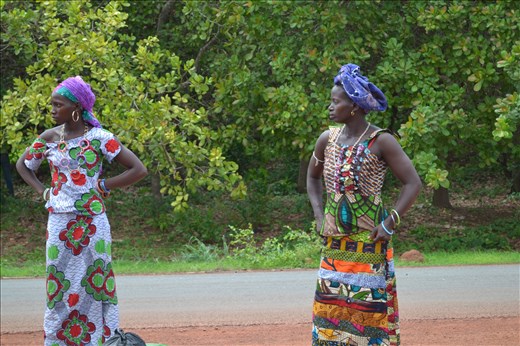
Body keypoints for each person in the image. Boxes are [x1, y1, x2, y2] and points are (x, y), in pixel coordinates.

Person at [16, 76, 148, 345]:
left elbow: (138, 169)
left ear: (76, 109)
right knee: (59, 284)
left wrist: (103, 185)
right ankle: (58, 341)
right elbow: (24, 165)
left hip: (93, 223)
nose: (52, 110)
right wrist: (44, 191)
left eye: (58, 104)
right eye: (51, 104)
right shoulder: (49, 138)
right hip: (59, 225)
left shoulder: (100, 138)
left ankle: (104, 340)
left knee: (96, 281)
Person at [307, 64, 421, 346]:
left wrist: (389, 222)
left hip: (368, 243)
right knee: (329, 314)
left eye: (336, 102)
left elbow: (413, 183)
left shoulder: (381, 141)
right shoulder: (327, 139)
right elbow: (311, 178)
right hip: (334, 245)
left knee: (367, 315)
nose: (330, 107)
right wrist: (320, 216)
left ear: (354, 106)